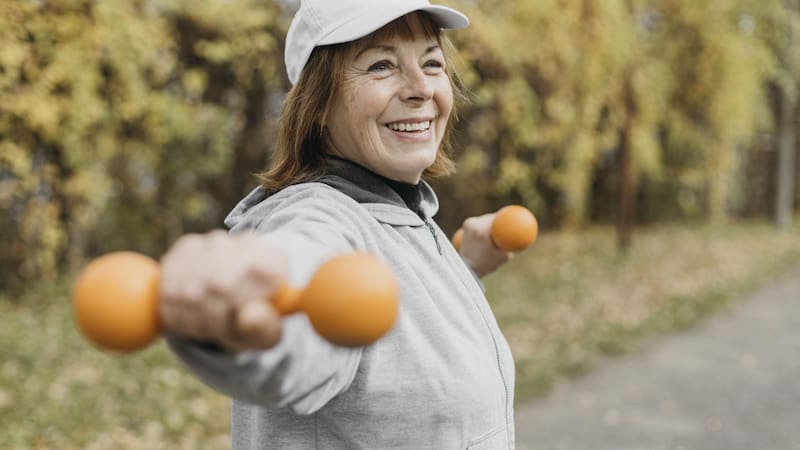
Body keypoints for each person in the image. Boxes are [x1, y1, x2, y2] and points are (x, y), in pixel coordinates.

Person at [160, 0, 518, 448]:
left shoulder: (402, 210)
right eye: (381, 65)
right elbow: (301, 312)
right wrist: (243, 325)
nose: (421, 88)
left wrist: (465, 270)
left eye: (432, 63)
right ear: (318, 104)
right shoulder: (316, 219)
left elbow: (401, 341)